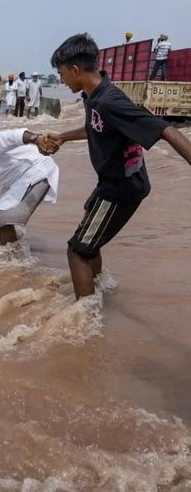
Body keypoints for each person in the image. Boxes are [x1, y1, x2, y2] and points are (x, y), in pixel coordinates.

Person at [43, 32, 191, 300]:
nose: (62, 80)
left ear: (75, 70)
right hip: (111, 183)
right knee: (89, 241)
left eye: (62, 74)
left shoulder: (111, 102)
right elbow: (94, 127)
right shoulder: (93, 96)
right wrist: (63, 136)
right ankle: (96, 291)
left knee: (77, 251)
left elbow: (165, 130)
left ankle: (85, 319)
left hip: (121, 188)